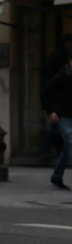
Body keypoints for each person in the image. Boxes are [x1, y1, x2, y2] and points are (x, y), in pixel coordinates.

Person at [41, 51, 72, 190]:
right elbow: (44, 93)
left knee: (67, 148)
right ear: (69, 62)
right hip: (64, 116)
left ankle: (56, 177)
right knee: (71, 142)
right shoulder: (61, 77)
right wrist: (51, 111)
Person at [38, 34, 72, 157]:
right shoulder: (61, 74)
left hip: (62, 107)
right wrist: (50, 110)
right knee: (58, 130)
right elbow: (46, 90)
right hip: (61, 107)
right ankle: (44, 150)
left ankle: (56, 173)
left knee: (64, 139)